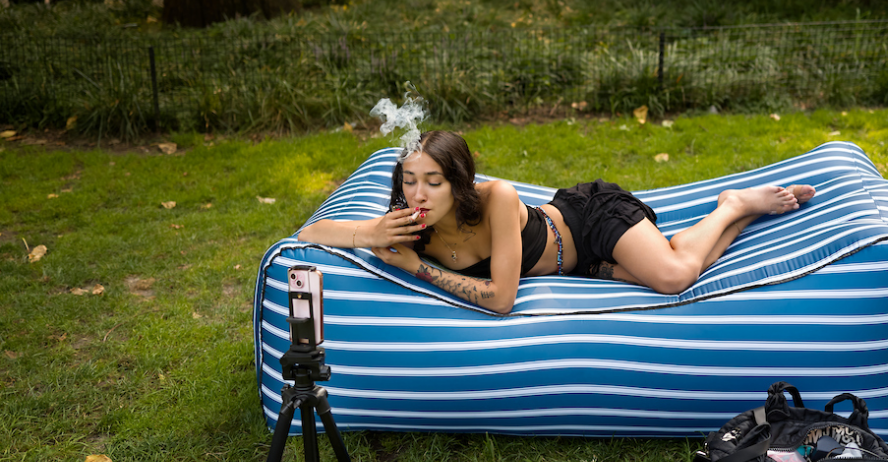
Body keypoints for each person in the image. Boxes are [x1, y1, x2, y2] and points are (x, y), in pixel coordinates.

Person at [298, 131, 815, 314]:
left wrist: (417, 268)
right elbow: (308, 233)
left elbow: (502, 300)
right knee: (680, 265)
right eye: (409, 181)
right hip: (581, 268)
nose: (418, 194)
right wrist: (370, 232)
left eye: (433, 181)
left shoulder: (497, 197)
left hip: (591, 221)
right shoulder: (412, 223)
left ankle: (728, 206)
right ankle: (737, 217)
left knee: (675, 277)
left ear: (457, 182)